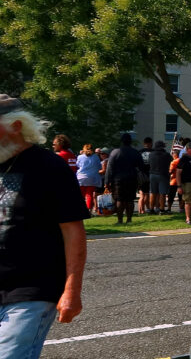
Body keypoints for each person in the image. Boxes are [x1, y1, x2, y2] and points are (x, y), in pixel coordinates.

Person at [0, 101, 89, 359]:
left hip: (31, 290)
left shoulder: (50, 167)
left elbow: (73, 232)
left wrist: (72, 290)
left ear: (16, 126)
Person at [106, 133, 145, 224]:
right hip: (132, 178)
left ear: (121, 141)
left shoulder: (115, 152)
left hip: (118, 179)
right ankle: (129, 219)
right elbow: (141, 167)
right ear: (130, 141)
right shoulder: (135, 152)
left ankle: (120, 220)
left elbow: (109, 168)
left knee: (119, 199)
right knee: (130, 200)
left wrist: (107, 181)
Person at [76, 144, 103, 213]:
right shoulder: (96, 157)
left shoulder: (80, 157)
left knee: (81, 195)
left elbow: (77, 165)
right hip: (92, 178)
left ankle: (80, 210)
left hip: (81, 177)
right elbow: (99, 167)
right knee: (89, 195)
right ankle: (89, 210)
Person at [148, 140, 172, 214]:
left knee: (153, 192)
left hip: (152, 174)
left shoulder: (151, 154)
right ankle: (161, 209)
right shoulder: (166, 155)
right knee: (162, 193)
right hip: (163, 175)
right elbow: (171, 162)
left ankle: (151, 209)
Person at [137, 137, 154, 215]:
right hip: (149, 174)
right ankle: (144, 210)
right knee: (146, 194)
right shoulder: (153, 152)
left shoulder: (139, 152)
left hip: (140, 175)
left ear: (144, 143)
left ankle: (140, 210)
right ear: (151, 143)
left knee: (141, 195)